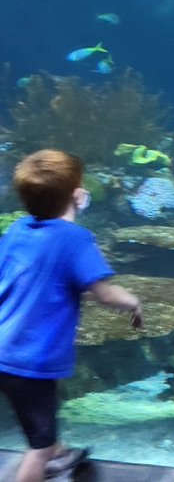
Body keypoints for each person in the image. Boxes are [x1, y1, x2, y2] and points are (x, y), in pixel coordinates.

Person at [0, 149, 143, 482]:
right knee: (37, 444)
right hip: (30, 361)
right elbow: (105, 293)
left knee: (38, 421)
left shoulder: (18, 229)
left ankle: (60, 453)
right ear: (77, 195)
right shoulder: (75, 239)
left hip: (3, 349)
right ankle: (47, 455)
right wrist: (134, 302)